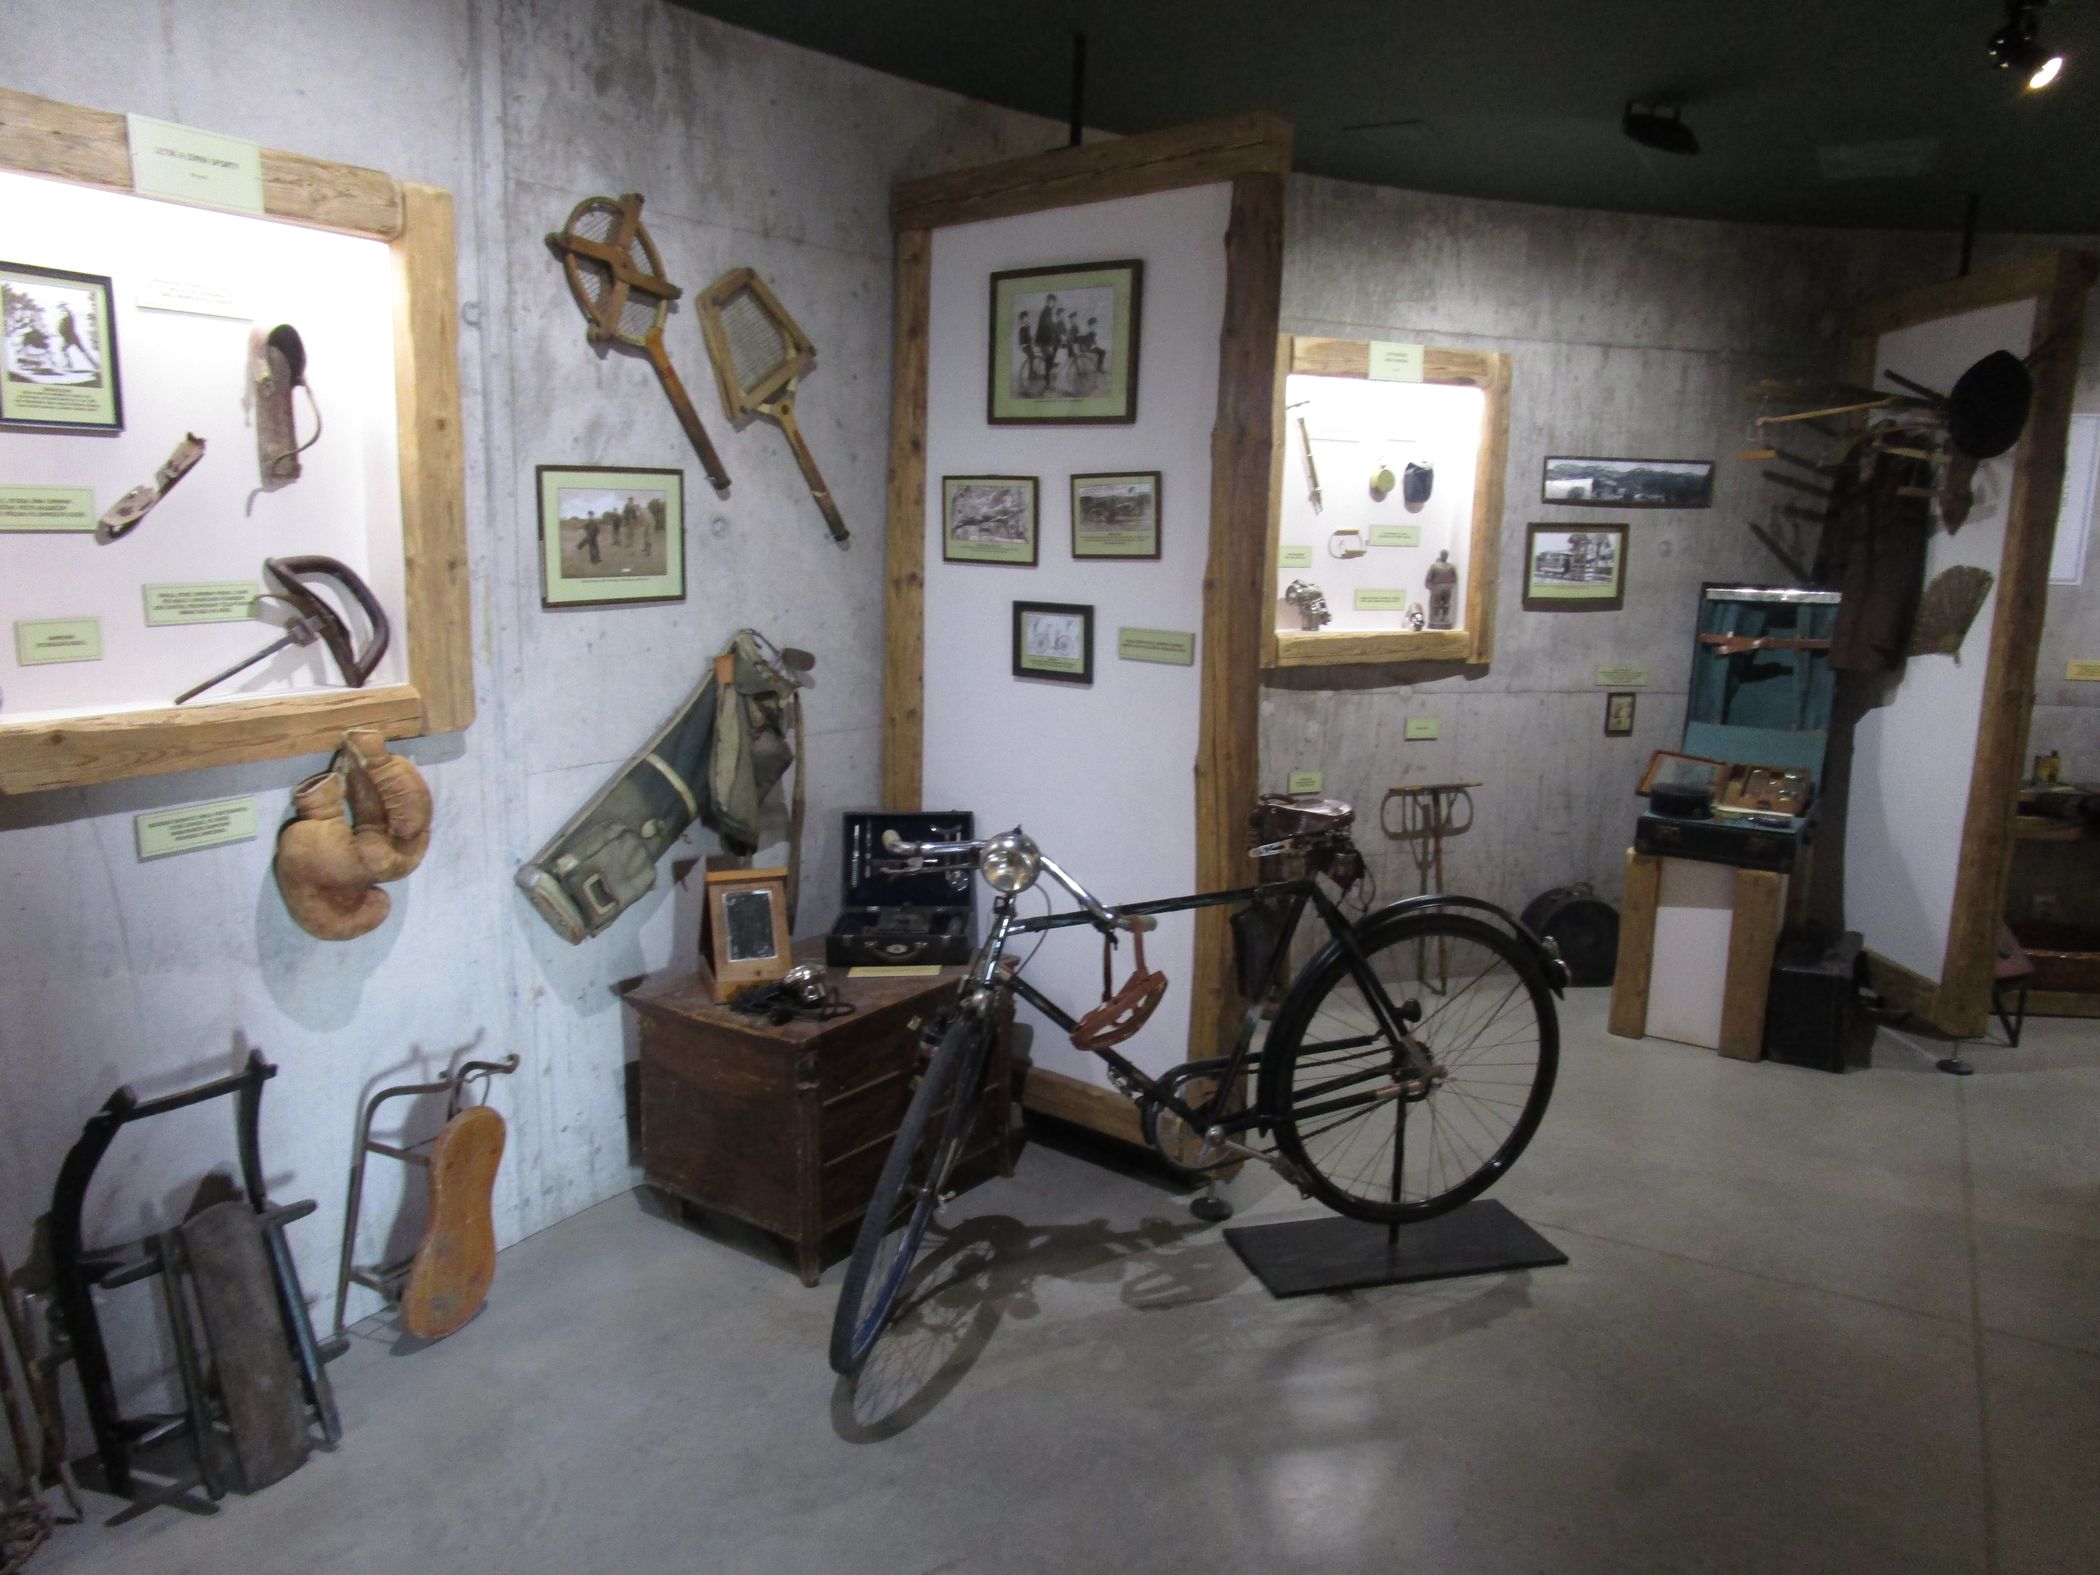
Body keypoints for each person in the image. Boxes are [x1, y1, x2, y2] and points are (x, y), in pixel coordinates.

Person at [1034, 294, 1063, 389]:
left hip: (1044, 339)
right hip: (1042, 340)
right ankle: (1047, 383)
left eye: (1054, 302)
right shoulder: (1047, 310)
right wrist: (1056, 329)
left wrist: (1056, 331)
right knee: (1049, 357)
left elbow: (1049, 324)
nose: (1053, 304)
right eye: (1052, 302)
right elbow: (1049, 324)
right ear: (1048, 301)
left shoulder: (1048, 310)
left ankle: (1050, 366)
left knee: (1055, 347)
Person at [55, 302, 93, 372]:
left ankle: (69, 364)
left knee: (81, 351)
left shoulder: (68, 317)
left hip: (71, 337)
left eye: (62, 309)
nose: (61, 311)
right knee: (65, 349)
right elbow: (61, 329)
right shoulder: (64, 318)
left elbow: (69, 316)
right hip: (69, 338)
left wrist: (64, 308)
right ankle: (69, 364)